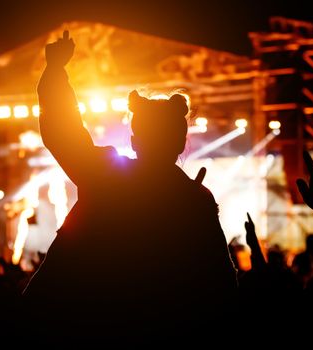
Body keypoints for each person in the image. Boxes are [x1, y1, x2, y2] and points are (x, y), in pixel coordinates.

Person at [23, 30, 237, 343]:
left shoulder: (108, 177)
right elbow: (221, 285)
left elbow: (63, 131)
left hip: (83, 328)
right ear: (180, 142)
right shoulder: (195, 200)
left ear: (135, 140)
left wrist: (55, 71)